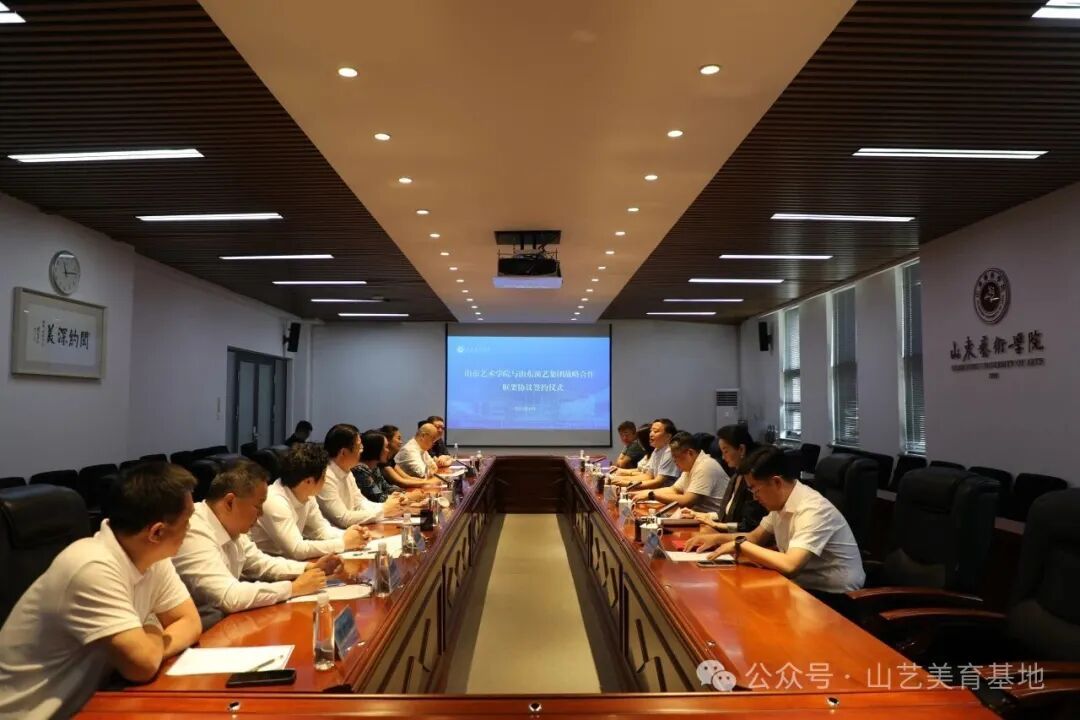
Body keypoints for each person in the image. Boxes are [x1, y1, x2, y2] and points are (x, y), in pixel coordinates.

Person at [0, 463, 201, 719]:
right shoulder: (91, 566)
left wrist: (149, 638)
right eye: (187, 520)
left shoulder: (153, 557)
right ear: (157, 532)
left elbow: (190, 622)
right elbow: (141, 666)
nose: (190, 528)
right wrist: (153, 626)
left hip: (92, 703)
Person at [172, 459, 340, 628]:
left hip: (223, 623)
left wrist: (308, 568)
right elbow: (229, 596)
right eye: (258, 505)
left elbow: (260, 563)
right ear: (230, 502)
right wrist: (293, 588)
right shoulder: (193, 529)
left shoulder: (231, 525)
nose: (260, 514)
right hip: (202, 630)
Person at [685, 446, 865, 599]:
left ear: (776, 482)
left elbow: (790, 565)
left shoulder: (813, 509)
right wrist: (716, 539)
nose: (755, 498)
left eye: (755, 490)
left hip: (836, 598)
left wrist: (740, 545)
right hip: (802, 587)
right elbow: (755, 538)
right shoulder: (781, 504)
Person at [249, 443, 370, 559]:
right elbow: (296, 549)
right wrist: (343, 543)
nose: (325, 480)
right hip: (269, 566)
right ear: (308, 481)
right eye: (323, 476)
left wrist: (353, 535)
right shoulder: (274, 501)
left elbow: (320, 530)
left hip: (288, 561)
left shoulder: (307, 494)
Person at [680, 425, 767, 533]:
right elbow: (725, 514)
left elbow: (749, 527)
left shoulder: (753, 480)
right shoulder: (736, 476)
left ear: (741, 449)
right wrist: (700, 515)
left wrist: (718, 525)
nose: (722, 457)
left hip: (741, 537)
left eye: (725, 451)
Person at [317, 423, 407, 526]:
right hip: (338, 531)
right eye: (359, 446)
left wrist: (390, 506)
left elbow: (360, 503)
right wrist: (384, 510)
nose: (362, 450)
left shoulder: (347, 471)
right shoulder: (325, 477)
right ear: (343, 452)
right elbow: (342, 518)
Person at [630, 431, 729, 513]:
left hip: (715, 522)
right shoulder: (690, 466)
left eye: (676, 457)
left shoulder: (705, 466)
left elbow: (687, 501)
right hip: (697, 516)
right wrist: (644, 493)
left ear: (690, 453)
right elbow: (674, 490)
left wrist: (653, 495)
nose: (674, 461)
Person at [355, 430, 426, 505]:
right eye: (386, 447)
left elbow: (387, 487)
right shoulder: (360, 470)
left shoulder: (375, 466)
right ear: (376, 449)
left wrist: (403, 493)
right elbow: (378, 498)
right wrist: (408, 496)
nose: (388, 450)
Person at [610, 419, 679, 488]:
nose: (651, 434)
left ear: (668, 436)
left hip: (665, 491)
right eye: (651, 431)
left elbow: (658, 482)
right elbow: (648, 476)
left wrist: (625, 483)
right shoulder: (656, 450)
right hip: (656, 489)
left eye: (655, 431)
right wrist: (621, 479)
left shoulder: (669, 451)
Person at [379, 424, 433, 490]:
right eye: (398, 438)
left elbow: (406, 477)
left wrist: (427, 481)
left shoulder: (390, 459)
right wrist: (429, 482)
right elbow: (400, 482)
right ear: (388, 441)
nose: (401, 442)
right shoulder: (382, 461)